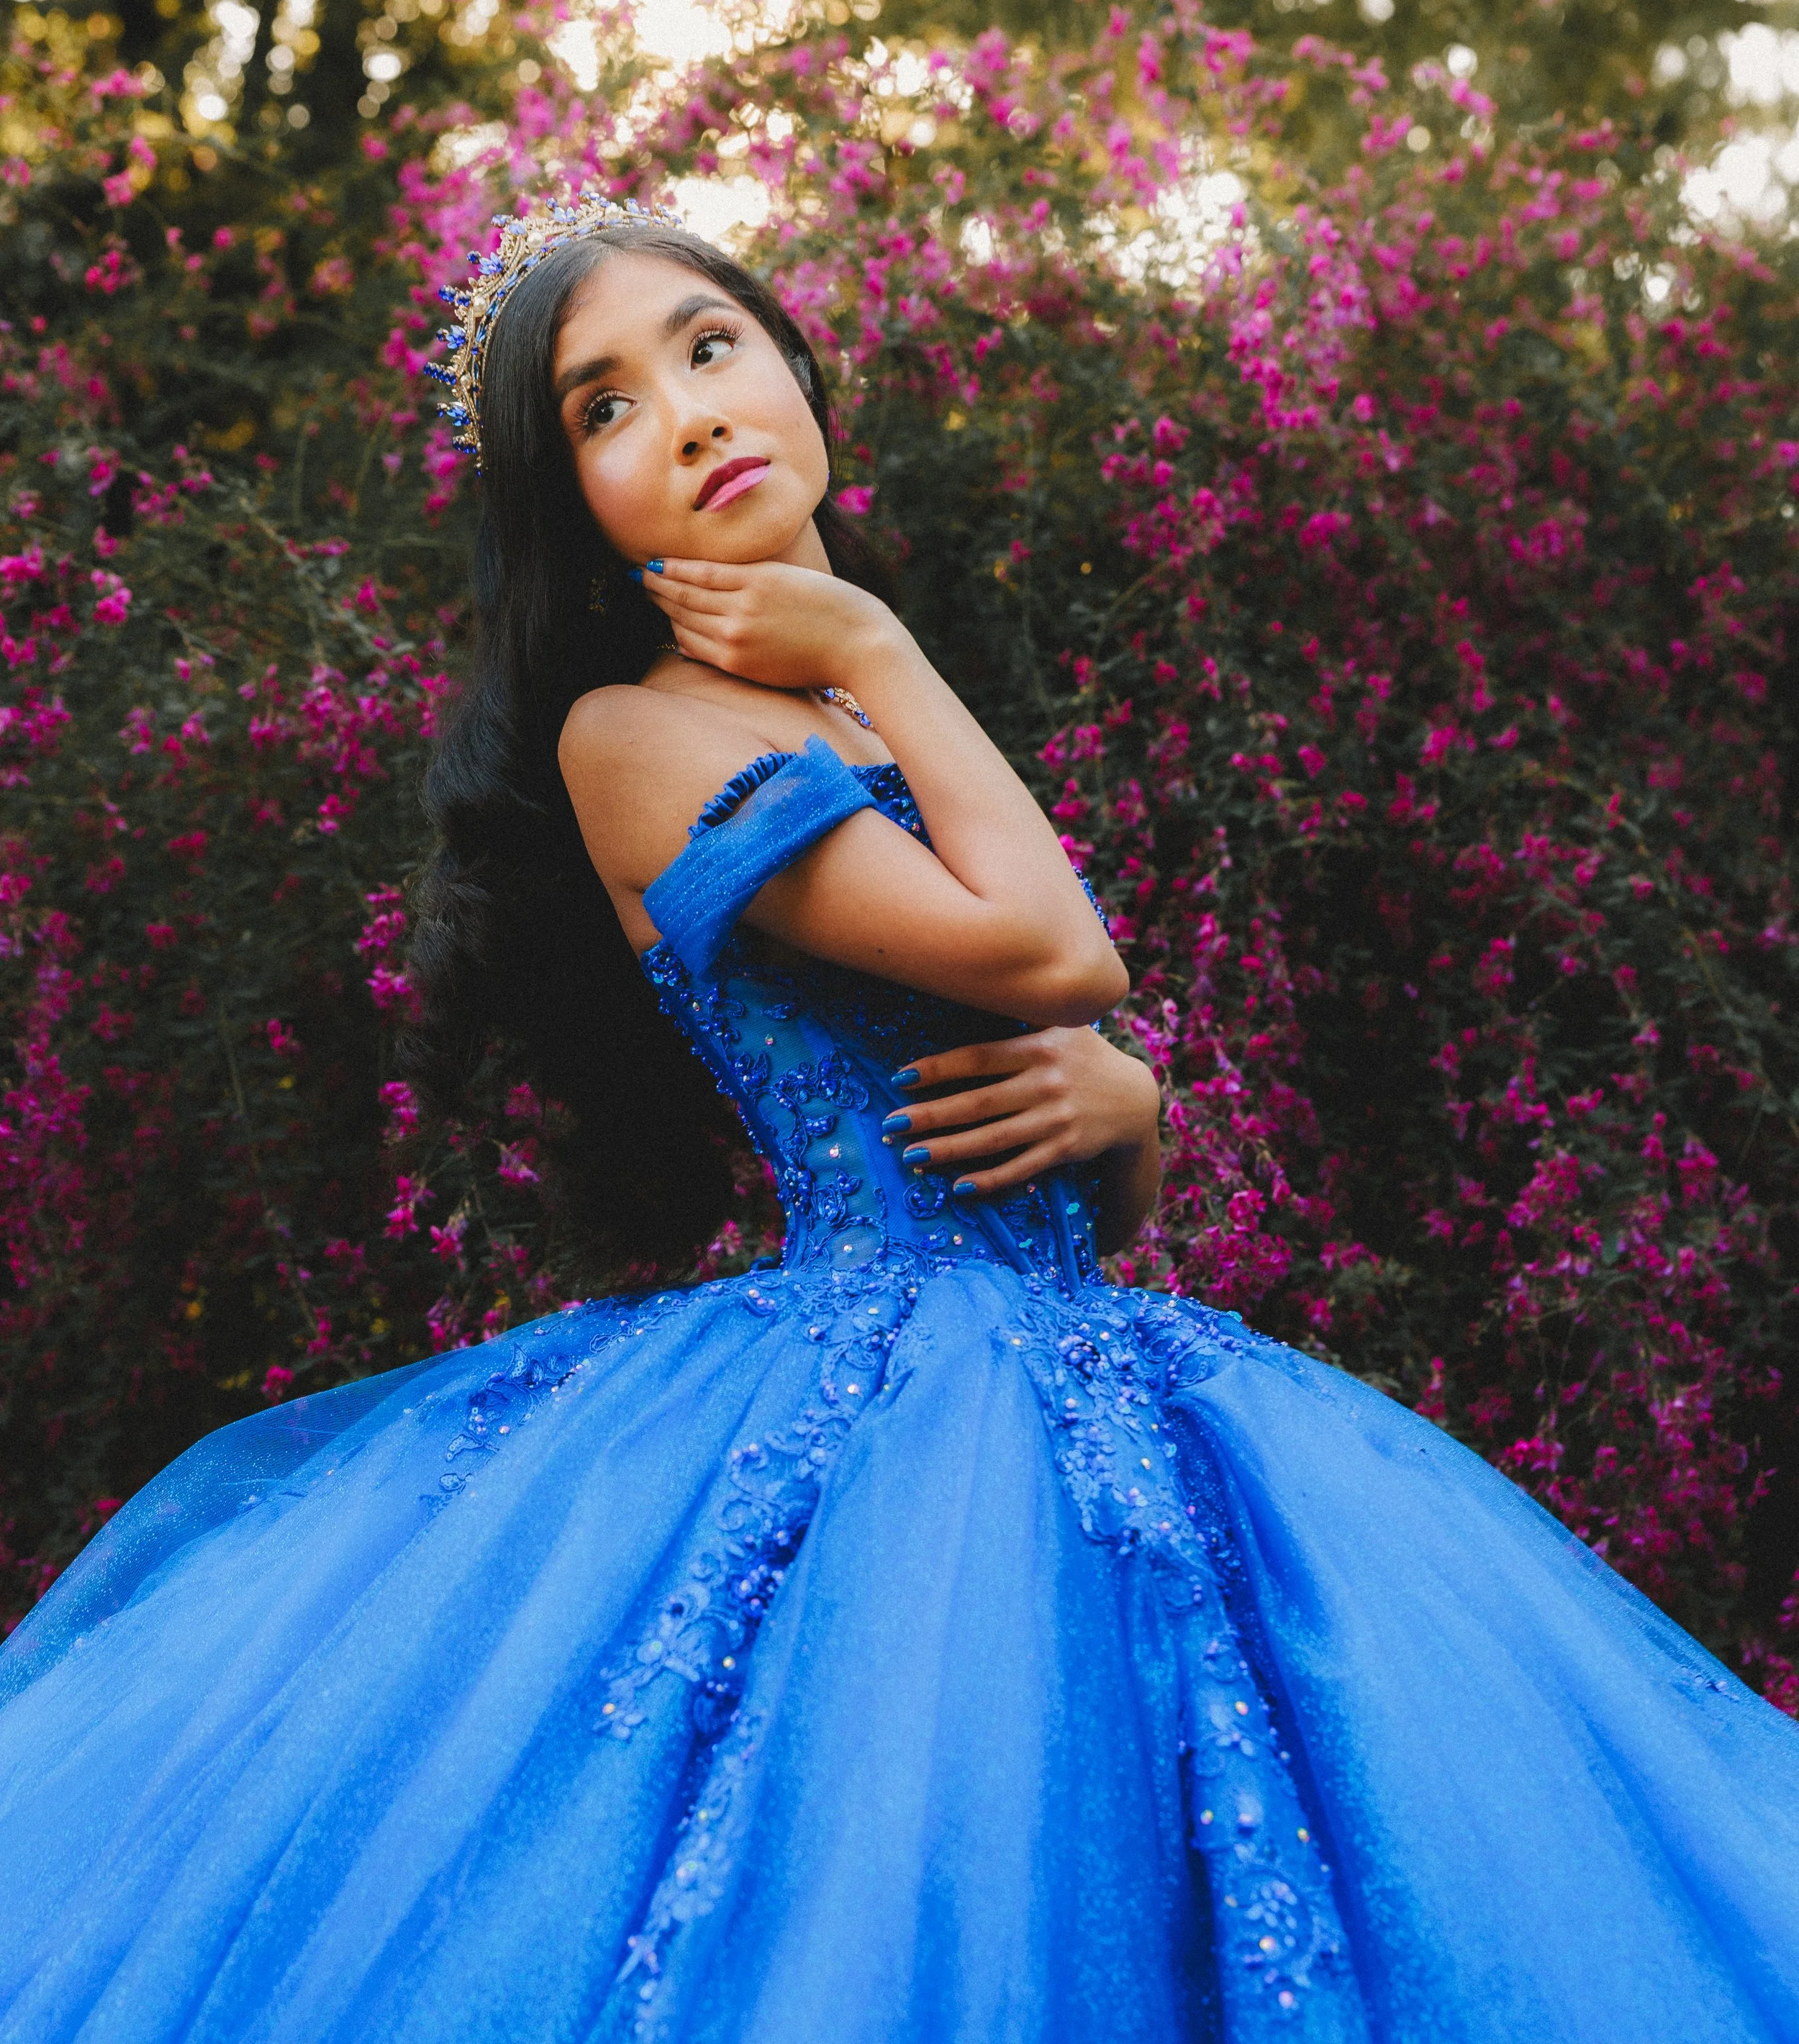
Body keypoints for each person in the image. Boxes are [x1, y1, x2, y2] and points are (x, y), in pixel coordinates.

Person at [0, 191, 1795, 2044]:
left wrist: (1134, 1109)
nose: (689, 413)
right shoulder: (634, 736)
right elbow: (1050, 945)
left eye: (709, 346)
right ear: (577, 510)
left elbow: (1068, 1177)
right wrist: (880, 639)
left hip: (1085, 1362)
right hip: (875, 1403)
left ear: (793, 369)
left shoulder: (845, 711)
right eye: (604, 407)